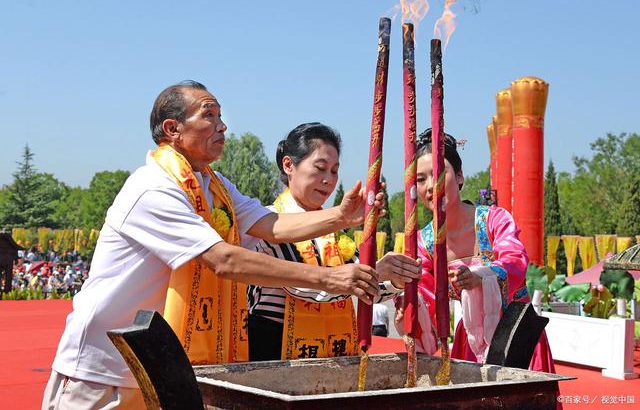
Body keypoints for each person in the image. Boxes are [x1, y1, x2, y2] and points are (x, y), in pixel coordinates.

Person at [43, 81, 384, 410]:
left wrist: (340, 217)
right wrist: (328, 278)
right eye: (209, 116)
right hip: (104, 370)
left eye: (221, 117)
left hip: (161, 368)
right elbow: (223, 260)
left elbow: (270, 224)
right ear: (172, 128)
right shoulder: (153, 187)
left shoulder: (215, 186)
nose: (222, 127)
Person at [248, 123, 421, 360]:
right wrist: (376, 272)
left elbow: (362, 286)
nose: (328, 180)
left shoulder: (334, 232)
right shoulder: (269, 223)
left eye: (334, 170)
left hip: (330, 351)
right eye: (320, 168)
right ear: (289, 165)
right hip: (274, 350)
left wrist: (395, 279)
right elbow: (306, 288)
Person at [395, 128, 555, 373]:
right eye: (421, 179)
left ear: (459, 176)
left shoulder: (494, 220)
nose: (431, 186)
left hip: (517, 333)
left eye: (439, 173)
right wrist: (408, 308)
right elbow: (426, 298)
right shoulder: (423, 243)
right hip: (470, 341)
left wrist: (481, 277)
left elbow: (515, 262)